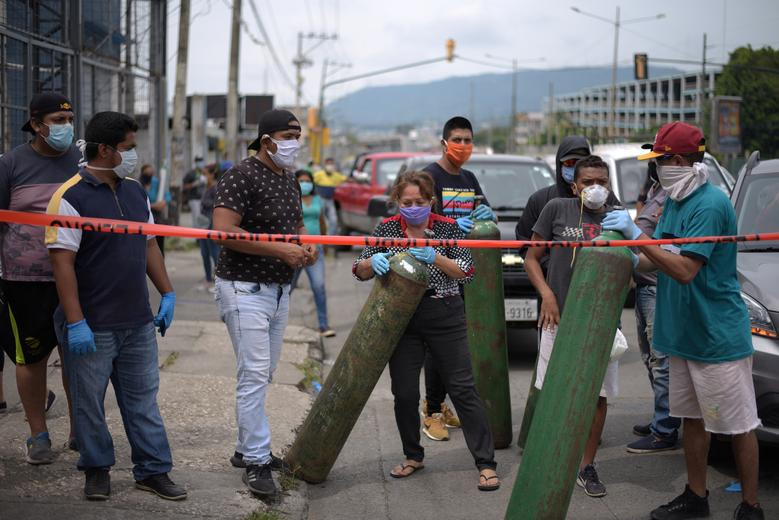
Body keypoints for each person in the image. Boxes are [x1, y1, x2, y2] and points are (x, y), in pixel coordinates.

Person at [603, 122, 765, 520]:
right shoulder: (674, 200)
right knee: (692, 421)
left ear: (677, 160)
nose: (655, 168)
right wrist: (623, 252)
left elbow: (685, 269)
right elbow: (653, 261)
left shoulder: (709, 204)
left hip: (715, 337)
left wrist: (637, 240)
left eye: (659, 160)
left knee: (738, 424)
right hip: (683, 336)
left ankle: (751, 505)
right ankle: (696, 496)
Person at [46, 111, 185, 502]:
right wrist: (75, 322)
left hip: (137, 322)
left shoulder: (135, 192)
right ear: (104, 149)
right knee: (89, 404)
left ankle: (154, 470)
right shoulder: (69, 197)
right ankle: (96, 469)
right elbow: (62, 264)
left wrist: (167, 293)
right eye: (128, 148)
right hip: (92, 323)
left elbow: (149, 245)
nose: (133, 155)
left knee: (143, 402)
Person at [353, 170, 500, 491]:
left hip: (445, 313)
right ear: (396, 202)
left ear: (431, 200)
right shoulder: (387, 228)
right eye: (406, 202)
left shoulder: (447, 228)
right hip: (400, 317)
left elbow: (467, 272)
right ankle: (413, 455)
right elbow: (359, 269)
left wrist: (436, 256)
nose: (413, 207)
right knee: (404, 393)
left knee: (462, 389)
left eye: (420, 201)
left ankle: (486, 463)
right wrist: (375, 260)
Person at [213, 109, 316, 496]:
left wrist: (307, 247)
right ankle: (256, 460)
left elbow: (298, 226)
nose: (295, 142)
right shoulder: (241, 175)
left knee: (265, 371)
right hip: (243, 288)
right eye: (289, 135)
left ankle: (246, 449)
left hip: (278, 290)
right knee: (254, 373)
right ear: (267, 139)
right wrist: (280, 251)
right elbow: (222, 231)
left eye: (298, 135)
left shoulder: (289, 179)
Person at [524, 155, 619, 498]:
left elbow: (634, 269)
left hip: (601, 323)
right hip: (558, 318)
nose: (596, 188)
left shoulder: (617, 217)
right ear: (575, 185)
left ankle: (586, 466)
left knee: (598, 397)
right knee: (553, 392)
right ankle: (549, 459)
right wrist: (547, 295)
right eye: (589, 181)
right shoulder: (556, 209)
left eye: (602, 182)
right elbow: (531, 258)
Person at [0, 92, 79, 463]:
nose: (66, 127)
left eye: (69, 120)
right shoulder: (11, 164)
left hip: (79, 280)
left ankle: (81, 431)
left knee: (78, 357)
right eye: (58, 121)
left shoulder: (83, 163)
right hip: (25, 280)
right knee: (31, 358)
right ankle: (38, 434)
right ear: (36, 125)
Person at [419, 116, 496, 440]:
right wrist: (449, 227)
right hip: (435, 272)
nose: (463, 146)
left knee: (455, 347)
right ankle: (432, 411)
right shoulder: (429, 176)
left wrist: (486, 214)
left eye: (468, 140)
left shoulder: (469, 178)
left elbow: (485, 209)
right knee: (436, 348)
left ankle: (441, 405)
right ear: (444, 143)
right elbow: (418, 221)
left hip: (463, 272)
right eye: (457, 140)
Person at [626, 161, 681, 454]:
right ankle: (663, 418)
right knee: (650, 358)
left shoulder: (675, 194)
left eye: (662, 159)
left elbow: (663, 245)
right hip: (644, 285)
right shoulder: (656, 190)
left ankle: (665, 430)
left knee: (662, 362)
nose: (656, 165)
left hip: (657, 285)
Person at [291, 170, 335, 337]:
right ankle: (272, 321)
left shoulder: (318, 199)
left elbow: (322, 221)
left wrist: (326, 242)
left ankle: (323, 325)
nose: (304, 183)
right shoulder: (291, 199)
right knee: (286, 287)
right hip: (295, 249)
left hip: (316, 250)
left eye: (307, 180)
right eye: (301, 180)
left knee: (319, 286)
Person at [194, 163, 222, 290]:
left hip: (212, 223)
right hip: (203, 223)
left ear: (212, 175)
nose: (203, 177)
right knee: (204, 252)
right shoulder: (205, 187)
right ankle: (208, 279)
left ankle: (219, 280)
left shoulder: (216, 188)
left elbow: (217, 205)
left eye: (205, 174)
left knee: (214, 252)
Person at [139, 164, 171, 255]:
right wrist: (152, 206)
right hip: (144, 218)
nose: (150, 175)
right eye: (147, 173)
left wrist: (164, 202)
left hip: (157, 218)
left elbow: (167, 195)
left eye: (151, 173)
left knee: (159, 245)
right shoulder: (138, 184)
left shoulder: (156, 183)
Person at [313, 157, 346, 241]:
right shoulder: (319, 174)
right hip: (320, 199)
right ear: (325, 165)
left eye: (332, 164)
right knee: (321, 219)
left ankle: (329, 239)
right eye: (328, 164)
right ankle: (320, 237)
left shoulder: (336, 175)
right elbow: (312, 182)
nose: (330, 166)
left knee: (333, 220)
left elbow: (346, 180)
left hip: (330, 200)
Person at [182, 155, 206, 221]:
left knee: (203, 218)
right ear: (196, 163)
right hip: (194, 199)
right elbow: (184, 186)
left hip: (204, 199)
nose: (201, 164)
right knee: (196, 218)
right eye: (199, 162)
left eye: (202, 162)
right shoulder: (191, 173)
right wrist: (193, 184)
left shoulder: (205, 172)